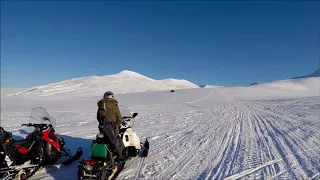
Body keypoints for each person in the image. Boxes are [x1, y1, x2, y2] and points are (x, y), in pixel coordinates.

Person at [97, 91, 125, 161]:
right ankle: (120, 156)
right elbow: (119, 117)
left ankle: (105, 154)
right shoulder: (114, 105)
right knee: (116, 141)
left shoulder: (101, 105)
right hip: (112, 127)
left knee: (105, 140)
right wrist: (117, 125)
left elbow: (98, 117)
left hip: (102, 127)